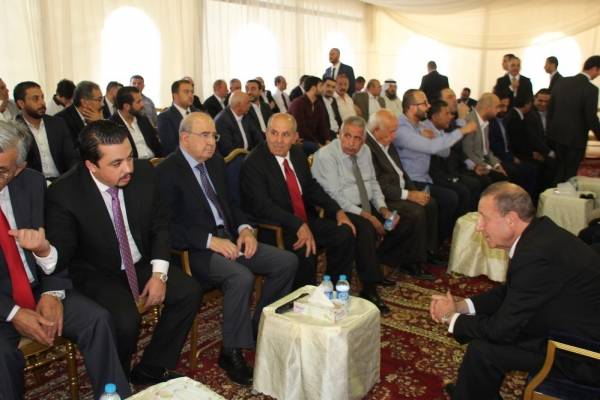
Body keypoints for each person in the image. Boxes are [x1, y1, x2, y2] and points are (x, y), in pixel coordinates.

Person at [45, 120, 201, 384]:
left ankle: (152, 367)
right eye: (116, 163)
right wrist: (42, 251)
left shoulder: (144, 172)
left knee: (189, 292)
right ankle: (116, 379)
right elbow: (61, 255)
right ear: (91, 165)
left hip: (137, 260)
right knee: (125, 320)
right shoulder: (65, 193)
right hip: (96, 271)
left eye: (129, 157)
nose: (128, 168)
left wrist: (159, 274)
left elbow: (159, 225)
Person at [156, 112, 297, 386]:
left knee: (286, 262)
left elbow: (232, 204)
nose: (212, 142)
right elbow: (166, 228)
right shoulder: (166, 172)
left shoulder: (215, 163)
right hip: (196, 251)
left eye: (214, 135)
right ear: (184, 138)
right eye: (204, 135)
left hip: (230, 239)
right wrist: (210, 241)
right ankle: (230, 352)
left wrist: (245, 229)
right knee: (240, 277)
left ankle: (258, 327)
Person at [431, 182, 600, 400]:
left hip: (581, 354)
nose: (479, 226)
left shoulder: (535, 254)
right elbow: (512, 291)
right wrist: (462, 306)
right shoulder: (538, 234)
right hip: (570, 327)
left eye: (484, 218)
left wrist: (450, 318)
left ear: (510, 219)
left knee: (484, 350)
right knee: (484, 349)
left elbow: (501, 330)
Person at [0, 120, 130, 399]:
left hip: (38, 285)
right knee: (2, 359)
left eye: (2, 171)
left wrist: (53, 291)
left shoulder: (32, 183)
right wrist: (13, 312)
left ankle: (113, 395)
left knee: (97, 320)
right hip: (2, 302)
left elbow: (55, 242)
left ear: (19, 168)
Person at [312, 116, 424, 313]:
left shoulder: (365, 151)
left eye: (357, 138)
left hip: (365, 205)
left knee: (404, 219)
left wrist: (383, 209)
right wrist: (368, 216)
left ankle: (378, 262)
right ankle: (369, 287)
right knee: (366, 229)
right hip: (340, 210)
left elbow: (373, 183)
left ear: (364, 139)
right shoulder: (326, 155)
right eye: (347, 136)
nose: (351, 143)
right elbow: (334, 195)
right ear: (339, 134)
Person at [240, 113, 356, 291]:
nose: (278, 140)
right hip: (276, 228)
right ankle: (302, 300)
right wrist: (298, 225)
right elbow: (262, 206)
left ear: (295, 137)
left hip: (304, 219)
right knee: (306, 250)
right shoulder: (253, 163)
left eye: (285, 134)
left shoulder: (297, 153)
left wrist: (337, 210)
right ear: (266, 133)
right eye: (274, 133)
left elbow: (311, 187)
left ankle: (333, 291)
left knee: (344, 233)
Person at [366, 109, 443, 272]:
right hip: (383, 198)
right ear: (376, 130)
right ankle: (412, 262)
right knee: (415, 212)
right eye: (391, 131)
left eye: (395, 130)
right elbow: (377, 185)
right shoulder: (367, 148)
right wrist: (409, 195)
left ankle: (427, 251)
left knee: (429, 203)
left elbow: (402, 173)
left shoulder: (386, 140)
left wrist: (416, 194)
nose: (395, 135)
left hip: (399, 191)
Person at [395, 90, 476, 245]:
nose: (428, 106)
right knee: (449, 198)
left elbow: (444, 152)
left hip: (424, 178)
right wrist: (461, 130)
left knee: (456, 195)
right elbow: (432, 148)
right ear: (412, 107)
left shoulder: (420, 125)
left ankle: (439, 242)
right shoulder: (402, 128)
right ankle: (433, 245)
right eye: (424, 103)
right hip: (409, 181)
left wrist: (435, 136)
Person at [547, 55, 600, 184]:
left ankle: (550, 193)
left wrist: (549, 131)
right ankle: (564, 196)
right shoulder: (591, 90)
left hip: (555, 136)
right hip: (575, 140)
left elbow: (550, 109)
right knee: (569, 174)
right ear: (595, 68)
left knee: (556, 170)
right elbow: (591, 118)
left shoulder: (561, 82)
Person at [13, 81, 77, 179]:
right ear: (21, 104)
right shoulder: (14, 129)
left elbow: (71, 157)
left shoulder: (58, 123)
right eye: (35, 99)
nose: (42, 102)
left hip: (61, 180)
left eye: (42, 97)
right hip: (33, 183)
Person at [462, 93, 508, 189]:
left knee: (508, 171)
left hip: (484, 163)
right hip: (474, 165)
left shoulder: (485, 123)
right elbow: (468, 153)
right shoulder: (469, 122)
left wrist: (496, 164)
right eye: (497, 107)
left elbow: (487, 150)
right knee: (499, 178)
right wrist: (490, 167)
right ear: (487, 107)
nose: (499, 110)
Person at [109, 86, 164, 159]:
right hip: (135, 164)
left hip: (155, 161)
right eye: (138, 102)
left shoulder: (143, 119)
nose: (142, 105)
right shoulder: (112, 125)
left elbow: (156, 145)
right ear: (127, 106)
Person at [287, 76, 330, 155]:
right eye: (321, 86)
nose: (323, 88)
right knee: (316, 148)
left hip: (313, 139)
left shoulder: (318, 104)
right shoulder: (298, 103)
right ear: (313, 88)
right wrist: (318, 144)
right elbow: (301, 129)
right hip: (299, 139)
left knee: (332, 146)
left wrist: (327, 140)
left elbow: (323, 125)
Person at [55, 80, 104, 149]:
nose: (102, 104)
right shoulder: (61, 120)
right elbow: (79, 149)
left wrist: (100, 123)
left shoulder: (98, 115)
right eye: (99, 100)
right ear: (84, 102)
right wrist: (96, 124)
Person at [214, 91, 263, 156]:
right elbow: (229, 151)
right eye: (247, 103)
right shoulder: (222, 121)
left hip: (249, 155)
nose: (250, 105)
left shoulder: (245, 115)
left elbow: (258, 136)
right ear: (238, 105)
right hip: (234, 158)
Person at [157, 79, 199, 154]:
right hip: (182, 157)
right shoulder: (164, 118)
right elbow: (170, 147)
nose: (191, 95)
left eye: (192, 92)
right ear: (175, 95)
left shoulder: (199, 114)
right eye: (186, 92)